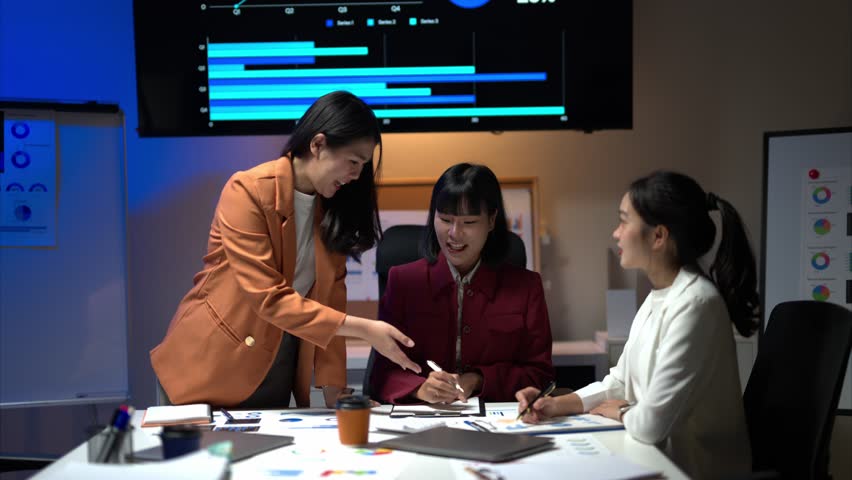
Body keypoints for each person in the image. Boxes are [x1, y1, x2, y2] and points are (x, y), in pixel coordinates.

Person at [151, 91, 420, 409]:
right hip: (207, 368)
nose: (357, 175)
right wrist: (364, 328)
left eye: (363, 165)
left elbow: (331, 300)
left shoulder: (331, 212)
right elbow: (268, 297)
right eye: (352, 162)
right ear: (317, 145)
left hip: (275, 371)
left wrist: (335, 392)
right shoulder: (247, 190)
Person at [516, 171, 757, 479]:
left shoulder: (696, 305)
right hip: (656, 459)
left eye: (624, 221)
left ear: (658, 236)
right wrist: (557, 405)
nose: (616, 233)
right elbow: (619, 382)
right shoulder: (661, 296)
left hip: (691, 470)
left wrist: (622, 411)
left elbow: (650, 425)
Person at [371, 163, 554, 404]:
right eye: (445, 219)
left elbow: (540, 376)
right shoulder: (403, 281)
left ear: (491, 221)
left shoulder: (526, 287)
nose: (454, 234)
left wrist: (477, 379)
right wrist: (419, 388)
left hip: (497, 422)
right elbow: (381, 373)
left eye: (468, 223)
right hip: (422, 420)